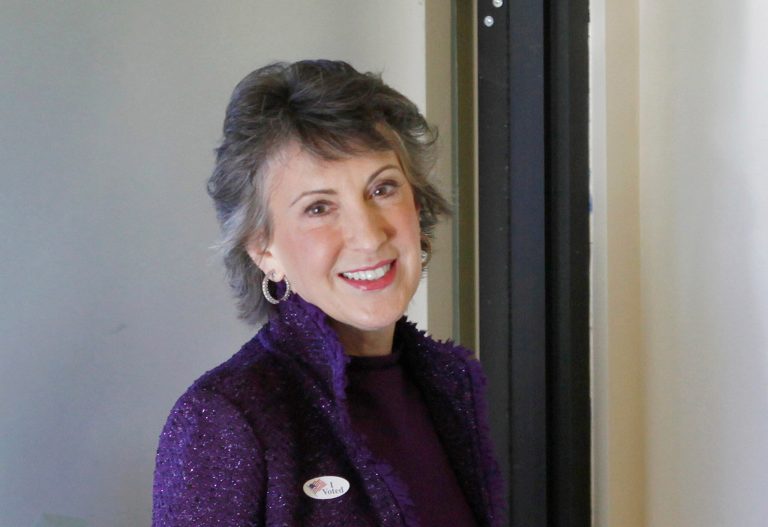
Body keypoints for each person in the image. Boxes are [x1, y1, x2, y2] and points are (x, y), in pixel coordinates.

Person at [152, 60, 505, 527]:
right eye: (319, 207)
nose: (367, 235)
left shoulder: (449, 385)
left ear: (416, 206)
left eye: (382, 189)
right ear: (263, 249)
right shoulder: (225, 418)